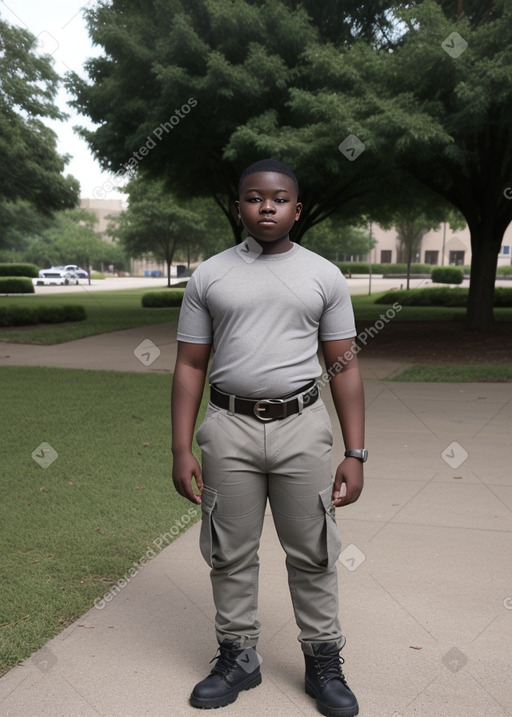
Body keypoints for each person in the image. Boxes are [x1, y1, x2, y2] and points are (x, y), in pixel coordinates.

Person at [171, 159, 365, 717]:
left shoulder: (323, 276)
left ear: (296, 210)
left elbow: (344, 366)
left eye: (279, 199)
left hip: (302, 426)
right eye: (254, 198)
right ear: (239, 207)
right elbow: (189, 364)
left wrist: (355, 453)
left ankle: (323, 660)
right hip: (227, 427)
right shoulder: (210, 276)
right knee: (229, 552)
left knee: (314, 551)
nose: (267, 207)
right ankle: (238, 656)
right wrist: (182, 446)